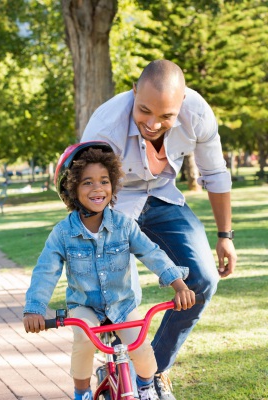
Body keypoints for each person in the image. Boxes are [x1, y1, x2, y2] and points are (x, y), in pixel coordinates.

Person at [81, 60, 238, 399]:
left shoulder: (198, 115)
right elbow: (86, 192)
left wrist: (225, 237)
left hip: (164, 197)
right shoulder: (105, 128)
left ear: (181, 103)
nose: (153, 124)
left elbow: (216, 174)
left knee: (203, 279)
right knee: (124, 296)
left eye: (165, 116)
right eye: (144, 111)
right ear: (134, 92)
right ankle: (119, 368)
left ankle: (154, 371)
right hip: (112, 204)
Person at [23, 142, 196, 400]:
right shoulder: (63, 233)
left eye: (104, 181)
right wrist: (34, 309)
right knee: (83, 340)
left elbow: (151, 253)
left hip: (122, 304)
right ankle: (81, 392)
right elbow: (45, 271)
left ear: (113, 184)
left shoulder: (124, 225)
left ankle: (146, 386)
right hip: (85, 307)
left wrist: (178, 284)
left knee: (142, 348)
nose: (98, 189)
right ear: (71, 190)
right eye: (87, 183)